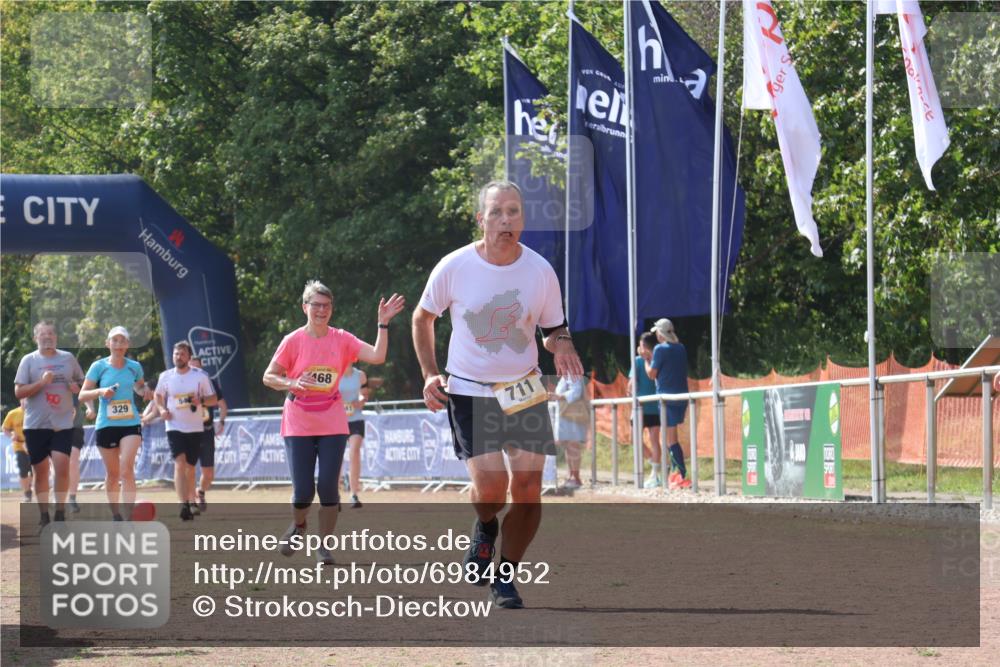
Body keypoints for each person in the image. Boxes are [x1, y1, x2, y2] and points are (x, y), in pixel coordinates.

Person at [412, 180, 584, 609]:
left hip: (523, 387)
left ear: (522, 219)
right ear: (481, 219)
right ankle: (486, 528)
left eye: (514, 212)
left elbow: (553, 329)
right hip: (470, 388)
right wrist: (431, 374)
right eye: (497, 213)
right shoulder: (454, 266)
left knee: (527, 489)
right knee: (492, 489)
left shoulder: (540, 270)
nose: (506, 221)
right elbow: (422, 318)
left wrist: (563, 344)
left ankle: (505, 575)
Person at [263, 281, 404, 565]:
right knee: (303, 491)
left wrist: (383, 324)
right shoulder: (292, 341)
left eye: (326, 306)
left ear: (332, 309)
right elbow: (268, 376)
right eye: (316, 305)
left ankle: (324, 546)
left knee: (328, 486)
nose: (321, 310)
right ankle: (299, 525)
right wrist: (292, 381)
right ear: (305, 307)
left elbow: (377, 356)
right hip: (298, 419)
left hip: (331, 418)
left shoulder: (342, 339)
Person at [13, 321, 84, 525]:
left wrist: (76, 387)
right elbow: (19, 392)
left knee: (62, 466)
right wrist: (42, 383)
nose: (47, 337)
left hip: (62, 424)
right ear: (36, 338)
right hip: (35, 425)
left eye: (51, 333)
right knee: (40, 471)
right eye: (42, 334)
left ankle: (60, 513)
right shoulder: (29, 360)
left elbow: (82, 382)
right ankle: (44, 516)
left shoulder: (68, 358)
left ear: (56, 337)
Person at [79, 327, 152, 521]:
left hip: (130, 422)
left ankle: (129, 517)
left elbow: (138, 386)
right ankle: (116, 514)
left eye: (123, 341)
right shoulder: (98, 367)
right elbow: (82, 394)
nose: (119, 344)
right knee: (113, 474)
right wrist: (100, 392)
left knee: (126, 469)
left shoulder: (134, 366)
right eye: (115, 340)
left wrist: (144, 391)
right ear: (108, 343)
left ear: (128, 344)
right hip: (106, 424)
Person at [155, 341, 217, 520]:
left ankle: (191, 501)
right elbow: (158, 396)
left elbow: (213, 399)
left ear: (189, 357)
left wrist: (202, 401)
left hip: (195, 427)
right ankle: (183, 504)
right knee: (179, 463)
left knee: (190, 468)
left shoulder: (200, 376)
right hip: (174, 426)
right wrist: (161, 409)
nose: (178, 357)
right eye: (176, 354)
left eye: (182, 354)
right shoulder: (165, 376)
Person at [643, 318, 692, 489]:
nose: (655, 333)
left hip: (666, 399)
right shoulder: (681, 348)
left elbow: (651, 374)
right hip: (681, 397)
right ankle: (677, 473)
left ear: (661, 333)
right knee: (672, 438)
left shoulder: (659, 349)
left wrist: (645, 360)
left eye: (657, 331)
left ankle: (679, 474)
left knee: (670, 439)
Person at [189, 357, 227, 513]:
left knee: (209, 473)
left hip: (206, 431)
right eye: (192, 369)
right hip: (187, 431)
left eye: (198, 369)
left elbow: (223, 405)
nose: (195, 372)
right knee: (187, 468)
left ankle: (201, 492)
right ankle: (190, 502)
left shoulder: (210, 383)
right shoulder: (181, 384)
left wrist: (221, 421)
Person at [631, 332, 663, 488]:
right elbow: (631, 385)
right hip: (639, 407)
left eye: (642, 345)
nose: (640, 348)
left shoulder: (655, 361)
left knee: (654, 440)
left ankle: (655, 473)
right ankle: (654, 463)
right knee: (634, 439)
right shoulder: (636, 361)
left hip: (653, 406)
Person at [338, 363, 368, 508]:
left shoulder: (360, 375)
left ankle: (354, 494)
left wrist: (361, 400)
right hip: (337, 421)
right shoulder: (335, 374)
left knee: (354, 452)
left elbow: (364, 393)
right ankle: (334, 495)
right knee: (336, 457)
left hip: (356, 419)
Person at [551, 375, 587, 489]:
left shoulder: (573, 372)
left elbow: (576, 392)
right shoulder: (565, 375)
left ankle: (575, 478)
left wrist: (558, 396)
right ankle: (571, 476)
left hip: (572, 416)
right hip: (566, 416)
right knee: (568, 447)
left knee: (573, 447)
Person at [67, 396, 96, 513]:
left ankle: (72, 498)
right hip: (53, 428)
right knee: (57, 465)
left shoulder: (77, 378)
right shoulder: (47, 380)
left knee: (73, 462)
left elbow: (86, 392)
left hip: (74, 428)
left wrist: (91, 408)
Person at [3, 399, 32, 502]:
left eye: (28, 399)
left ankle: (31, 488)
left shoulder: (35, 412)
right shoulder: (13, 413)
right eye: (24, 399)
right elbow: (5, 428)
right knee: (23, 471)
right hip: (19, 445)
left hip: (34, 446)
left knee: (35, 472)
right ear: (20, 400)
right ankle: (27, 493)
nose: (26, 401)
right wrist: (11, 435)